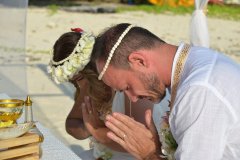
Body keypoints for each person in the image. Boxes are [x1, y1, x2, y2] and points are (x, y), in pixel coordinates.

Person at [91, 23, 240, 160]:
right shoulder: (197, 59)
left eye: (127, 87)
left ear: (139, 61)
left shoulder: (199, 91)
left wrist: (149, 154)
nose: (133, 98)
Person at [47, 28, 158, 160]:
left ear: (92, 70)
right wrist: (87, 129)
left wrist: (97, 131)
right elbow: (71, 123)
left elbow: (141, 142)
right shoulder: (89, 87)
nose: (80, 86)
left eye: (79, 79)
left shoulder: (127, 88)